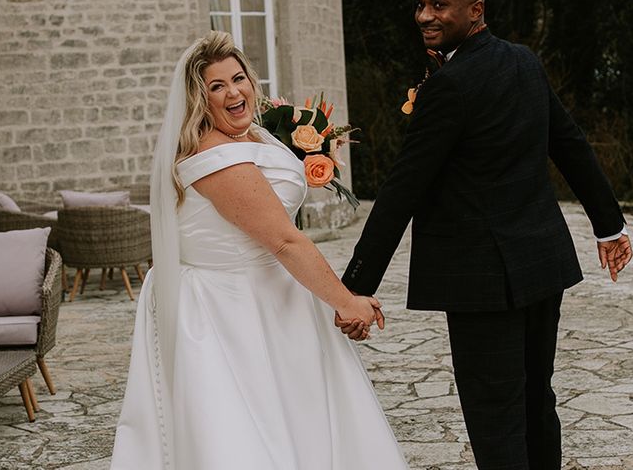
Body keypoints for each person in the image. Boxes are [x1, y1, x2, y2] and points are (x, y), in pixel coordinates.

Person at [338, 0, 632, 470]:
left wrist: (356, 285)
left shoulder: (448, 86)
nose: (425, 15)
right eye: (421, 4)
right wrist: (609, 225)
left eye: (439, 5)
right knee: (536, 399)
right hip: (541, 264)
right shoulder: (523, 62)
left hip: (482, 281)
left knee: (495, 414)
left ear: (476, 11)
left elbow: (402, 191)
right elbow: (571, 145)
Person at [110, 31, 409, 470]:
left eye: (238, 78)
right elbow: (285, 239)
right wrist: (347, 302)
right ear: (199, 100)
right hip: (226, 306)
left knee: (296, 417)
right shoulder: (215, 158)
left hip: (275, 295)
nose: (233, 92)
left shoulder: (253, 136)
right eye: (216, 86)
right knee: (244, 424)